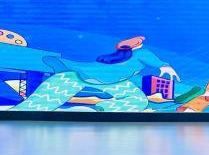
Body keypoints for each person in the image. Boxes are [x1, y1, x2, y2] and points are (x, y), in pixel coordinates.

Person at [11, 36, 179, 112]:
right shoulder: (140, 53)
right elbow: (153, 60)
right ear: (138, 45)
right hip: (80, 76)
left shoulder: (123, 57)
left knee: (138, 100)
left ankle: (99, 109)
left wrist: (164, 67)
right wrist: (165, 67)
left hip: (110, 81)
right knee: (44, 99)